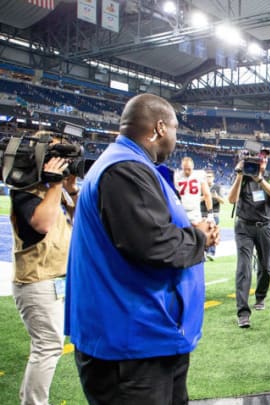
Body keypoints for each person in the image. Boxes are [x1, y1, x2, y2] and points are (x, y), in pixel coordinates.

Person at [65, 93, 219, 403]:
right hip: (130, 345)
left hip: (148, 339)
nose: (176, 138)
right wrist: (200, 237)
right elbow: (155, 245)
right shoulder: (124, 170)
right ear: (160, 128)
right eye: (175, 130)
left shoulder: (128, 165)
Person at [10, 132, 78, 405]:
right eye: (56, 156)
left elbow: (79, 219)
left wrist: (69, 188)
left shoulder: (52, 190)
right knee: (47, 346)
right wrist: (54, 185)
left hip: (55, 280)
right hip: (37, 282)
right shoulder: (26, 191)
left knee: (48, 345)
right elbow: (41, 224)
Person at [227, 145, 270, 326]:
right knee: (244, 267)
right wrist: (240, 176)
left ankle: (260, 296)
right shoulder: (243, 177)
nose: (262, 160)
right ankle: (243, 312)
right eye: (259, 158)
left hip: (265, 227)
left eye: (265, 158)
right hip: (244, 227)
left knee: (265, 267)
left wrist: (259, 180)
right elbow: (232, 199)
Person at [174, 156, 212, 224]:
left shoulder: (200, 174)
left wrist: (210, 214)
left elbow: (207, 194)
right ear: (181, 167)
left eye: (189, 169)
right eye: (184, 169)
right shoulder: (176, 175)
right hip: (180, 212)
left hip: (195, 213)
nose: (187, 171)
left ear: (193, 166)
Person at [202, 169, 226, 258]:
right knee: (202, 233)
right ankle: (203, 252)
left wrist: (216, 197)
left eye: (210, 177)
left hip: (214, 213)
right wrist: (206, 197)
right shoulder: (202, 187)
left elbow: (223, 201)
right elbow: (197, 199)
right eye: (207, 177)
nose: (208, 179)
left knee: (213, 233)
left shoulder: (218, 187)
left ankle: (211, 253)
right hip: (203, 212)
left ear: (213, 177)